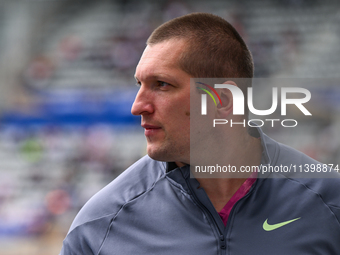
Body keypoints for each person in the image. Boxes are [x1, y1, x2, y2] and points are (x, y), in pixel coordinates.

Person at [60, 13, 340, 254]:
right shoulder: (100, 225)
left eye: (161, 84)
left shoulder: (329, 202)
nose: (137, 106)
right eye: (139, 84)